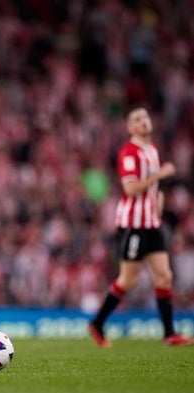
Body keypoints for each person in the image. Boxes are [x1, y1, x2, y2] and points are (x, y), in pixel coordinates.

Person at [88, 107, 194, 348]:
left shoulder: (152, 151)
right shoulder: (129, 152)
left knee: (164, 276)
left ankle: (169, 334)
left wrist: (158, 203)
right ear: (130, 127)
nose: (143, 121)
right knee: (128, 279)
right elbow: (131, 189)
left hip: (151, 224)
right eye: (137, 119)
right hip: (133, 225)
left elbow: (152, 190)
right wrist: (160, 175)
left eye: (145, 117)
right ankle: (97, 323)